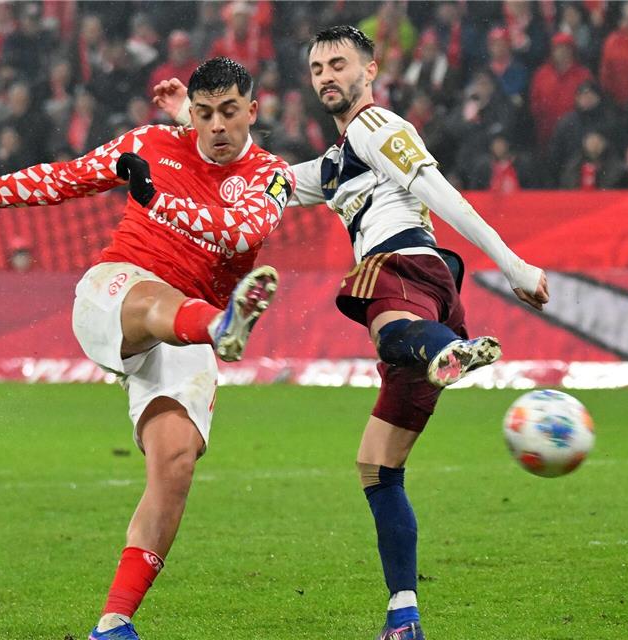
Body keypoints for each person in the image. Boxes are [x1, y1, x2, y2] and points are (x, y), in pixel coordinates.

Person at [154, 25, 548, 640]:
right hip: (429, 299)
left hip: (405, 268)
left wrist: (514, 264)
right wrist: (193, 116)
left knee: (386, 324)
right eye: (316, 69)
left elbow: (440, 194)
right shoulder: (340, 159)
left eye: (338, 64)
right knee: (377, 467)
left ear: (370, 69)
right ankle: (404, 614)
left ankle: (449, 352)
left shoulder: (376, 127)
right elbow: (267, 176)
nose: (326, 76)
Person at [0, 57, 295, 640]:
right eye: (204, 113)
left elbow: (243, 233)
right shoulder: (151, 142)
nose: (216, 126)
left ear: (253, 112)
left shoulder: (272, 174)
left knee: (176, 465)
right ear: (193, 112)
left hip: (189, 322)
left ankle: (114, 623)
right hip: (116, 294)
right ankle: (219, 328)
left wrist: (156, 199)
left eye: (229, 113)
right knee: (156, 298)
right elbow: (65, 178)